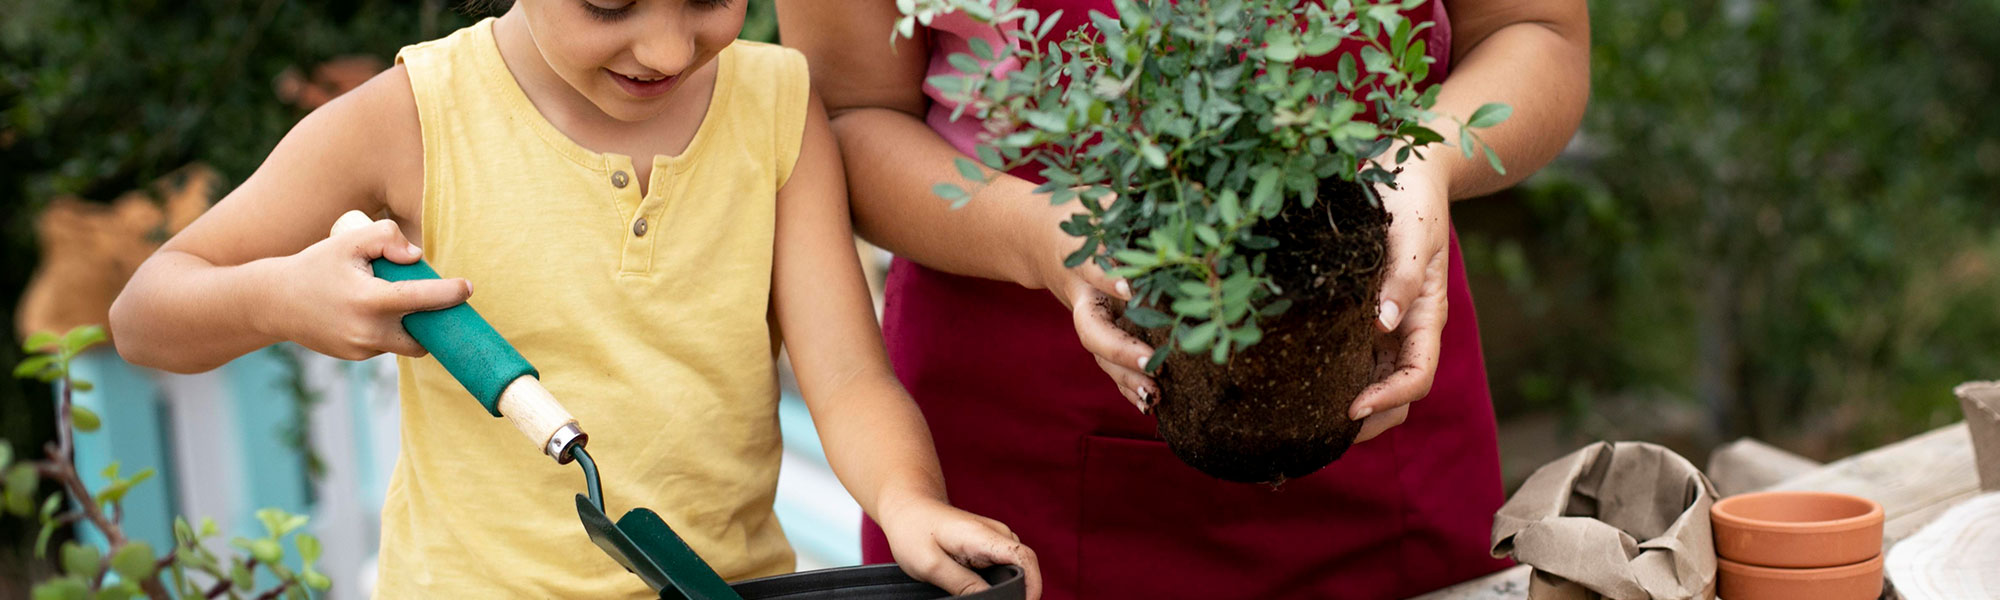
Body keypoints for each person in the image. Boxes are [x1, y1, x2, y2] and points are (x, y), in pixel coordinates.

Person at [108, 1, 1041, 597]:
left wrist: (908, 501)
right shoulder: (414, 116)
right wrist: (285, 298)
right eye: (609, 3)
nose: (668, 44)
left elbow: (845, 383)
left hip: (724, 587)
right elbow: (147, 312)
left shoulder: (773, 101)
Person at [777, 0, 1590, 597]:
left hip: (1373, 398)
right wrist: (1034, 234)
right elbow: (850, 111)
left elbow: (1537, 34)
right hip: (1016, 443)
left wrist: (1428, 162)